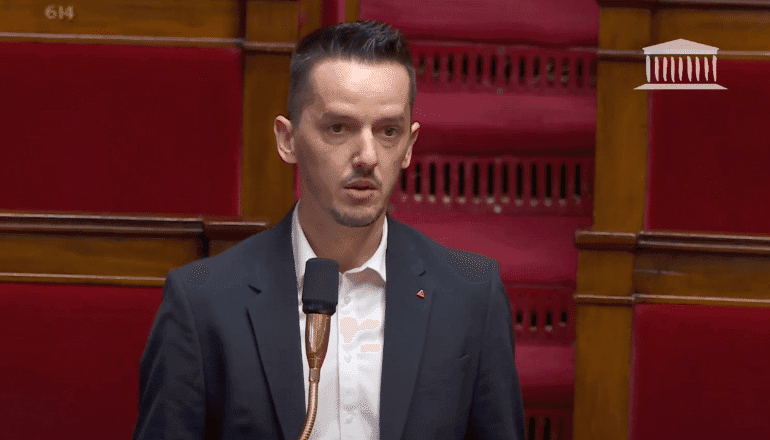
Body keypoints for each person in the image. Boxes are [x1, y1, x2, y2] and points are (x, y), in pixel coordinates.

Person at [133, 20, 525, 440]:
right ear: (287, 140)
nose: (367, 156)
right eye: (339, 128)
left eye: (388, 131)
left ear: (409, 146)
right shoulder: (203, 301)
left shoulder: (469, 295)